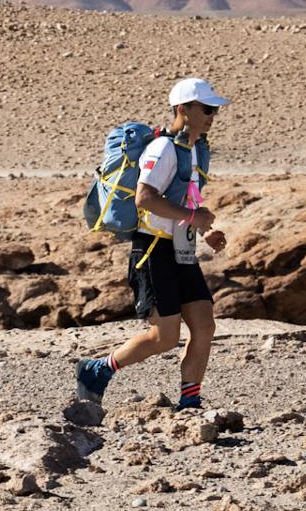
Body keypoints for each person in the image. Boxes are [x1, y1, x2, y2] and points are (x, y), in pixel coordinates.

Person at [76, 77, 231, 410]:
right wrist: (194, 219)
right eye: (206, 108)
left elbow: (184, 201)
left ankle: (190, 403)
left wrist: (205, 230)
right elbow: (145, 199)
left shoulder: (194, 151)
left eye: (214, 110)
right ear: (182, 109)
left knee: (204, 325)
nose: (211, 116)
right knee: (165, 337)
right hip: (152, 250)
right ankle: (97, 369)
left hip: (181, 250)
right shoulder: (162, 149)